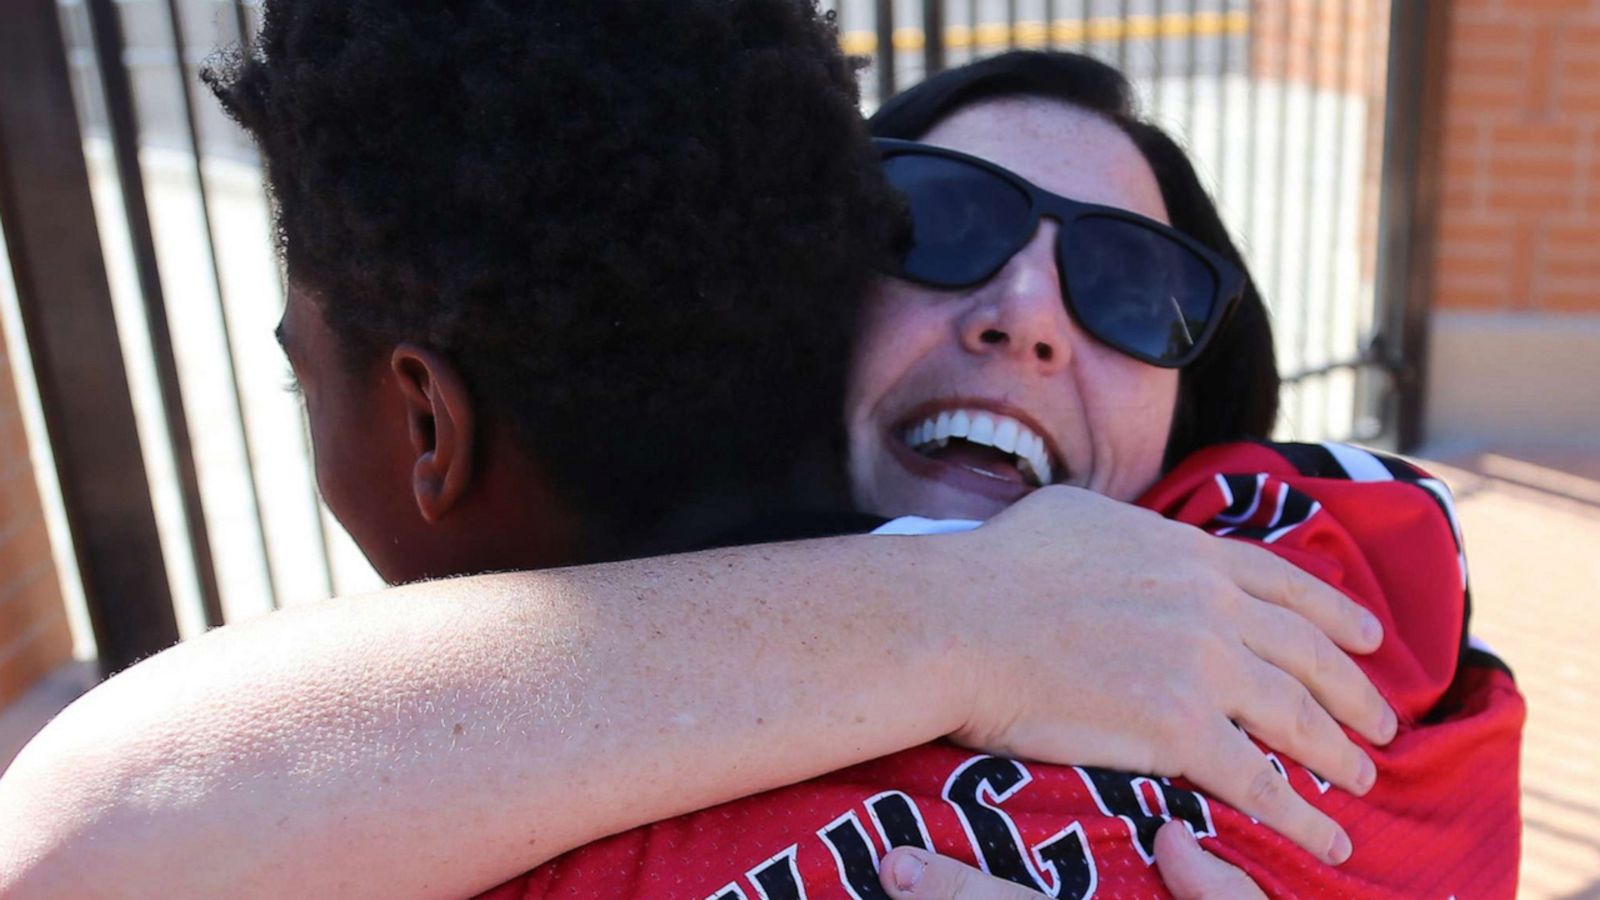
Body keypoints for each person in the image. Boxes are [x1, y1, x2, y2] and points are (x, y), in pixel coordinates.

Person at [0, 2, 1495, 895]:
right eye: (945, 222)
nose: (1030, 314)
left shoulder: (1288, 582)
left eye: (1130, 286)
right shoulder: (430, 783)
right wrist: (971, 616)